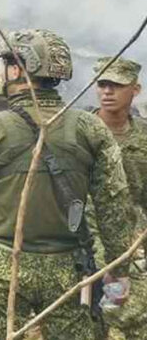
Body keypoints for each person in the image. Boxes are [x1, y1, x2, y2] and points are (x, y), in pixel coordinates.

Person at [0, 29, 136, 340]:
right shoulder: (90, 128)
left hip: (2, 266)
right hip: (70, 268)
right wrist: (119, 269)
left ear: (17, 70)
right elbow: (115, 204)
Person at [90, 57, 147, 338]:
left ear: (135, 89)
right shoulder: (78, 132)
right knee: (84, 322)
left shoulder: (144, 137)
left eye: (116, 85)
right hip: (82, 242)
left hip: (130, 245)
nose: (107, 91)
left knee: (134, 317)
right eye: (102, 84)